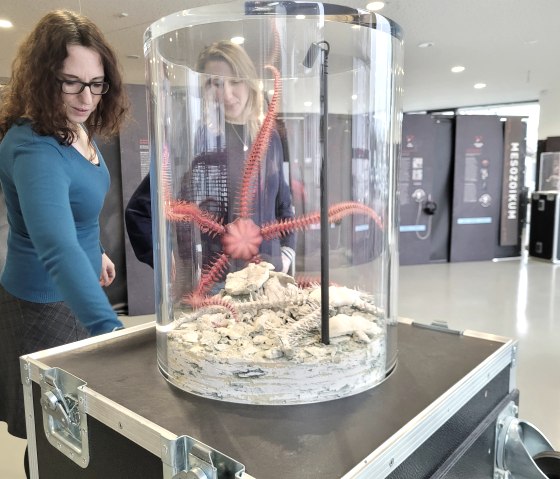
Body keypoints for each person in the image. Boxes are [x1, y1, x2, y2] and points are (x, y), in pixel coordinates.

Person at [0, 9, 129, 469]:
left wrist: (94, 250)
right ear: (42, 76)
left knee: (79, 423)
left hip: (78, 279)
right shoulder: (34, 145)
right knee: (54, 426)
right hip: (41, 301)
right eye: (70, 81)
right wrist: (110, 333)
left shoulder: (76, 126)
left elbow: (74, 210)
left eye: (96, 83)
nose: (86, 96)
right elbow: (54, 243)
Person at [125, 40, 295, 276]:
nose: (226, 94)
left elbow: (283, 203)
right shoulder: (194, 141)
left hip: (267, 273)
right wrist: (165, 262)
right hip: (214, 281)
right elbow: (140, 209)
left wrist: (287, 253)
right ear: (203, 89)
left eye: (235, 81)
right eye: (215, 83)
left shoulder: (268, 136)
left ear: (249, 82)